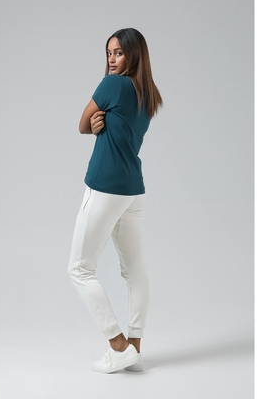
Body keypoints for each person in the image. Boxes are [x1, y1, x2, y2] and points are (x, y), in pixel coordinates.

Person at [67, 28, 163, 374]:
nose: (111, 59)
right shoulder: (148, 95)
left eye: (119, 53)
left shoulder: (113, 86)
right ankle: (135, 347)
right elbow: (112, 128)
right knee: (135, 270)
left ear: (134, 55)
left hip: (105, 187)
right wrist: (100, 124)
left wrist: (93, 125)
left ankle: (118, 346)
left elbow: (82, 124)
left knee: (80, 269)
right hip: (133, 190)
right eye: (109, 52)